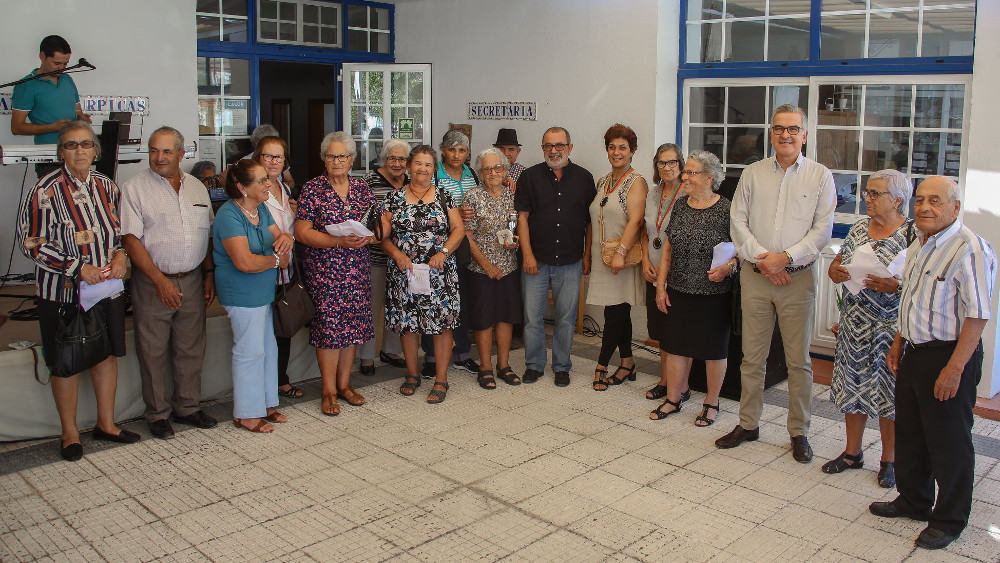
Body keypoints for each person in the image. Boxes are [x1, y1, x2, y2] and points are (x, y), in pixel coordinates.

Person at [869, 176, 996, 551]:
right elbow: (911, 298)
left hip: (949, 354)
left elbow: (977, 316)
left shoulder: (969, 249)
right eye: (921, 199)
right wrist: (898, 342)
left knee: (948, 442)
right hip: (914, 350)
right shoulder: (921, 242)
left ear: (955, 207)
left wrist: (955, 369)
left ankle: (950, 519)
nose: (925, 207)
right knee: (912, 433)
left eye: (936, 201)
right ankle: (914, 500)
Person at [718, 104, 835, 462]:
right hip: (756, 279)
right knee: (752, 358)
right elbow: (737, 222)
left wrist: (784, 258)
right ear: (771, 133)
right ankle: (748, 423)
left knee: (798, 362)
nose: (786, 134)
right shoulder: (752, 173)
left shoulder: (819, 176)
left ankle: (799, 432)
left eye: (793, 129)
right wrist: (765, 260)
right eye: (779, 128)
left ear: (804, 135)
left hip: (796, 281)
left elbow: (822, 231)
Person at [16, 121, 137, 461]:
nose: (80, 150)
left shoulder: (107, 186)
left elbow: (118, 232)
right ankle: (69, 433)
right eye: (71, 145)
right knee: (65, 361)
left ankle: (106, 424)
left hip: (106, 290)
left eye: (85, 144)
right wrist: (75, 266)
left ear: (96, 150)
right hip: (63, 293)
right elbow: (32, 243)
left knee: (107, 354)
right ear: (61, 152)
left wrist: (120, 254)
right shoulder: (45, 190)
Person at [121, 126, 218, 440]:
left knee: (191, 348)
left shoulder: (197, 188)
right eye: (153, 150)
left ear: (181, 153)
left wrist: (208, 274)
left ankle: (188, 407)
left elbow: (206, 233)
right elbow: (131, 240)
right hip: (153, 283)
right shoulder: (134, 188)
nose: (159, 157)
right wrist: (159, 280)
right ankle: (157, 414)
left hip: (191, 279)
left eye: (165, 151)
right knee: (152, 352)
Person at [824, 169, 914, 487]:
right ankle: (852, 452)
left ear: (898, 200)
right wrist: (835, 271)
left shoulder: (912, 235)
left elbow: (918, 285)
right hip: (855, 323)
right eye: (867, 193)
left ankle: (889, 459)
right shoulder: (861, 227)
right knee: (853, 387)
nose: (868, 199)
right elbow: (840, 265)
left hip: (890, 329)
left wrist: (895, 286)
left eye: (875, 194)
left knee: (889, 395)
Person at [650, 151, 737, 426]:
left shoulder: (726, 209)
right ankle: (674, 398)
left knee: (713, 350)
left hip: (714, 293)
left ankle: (712, 402)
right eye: (685, 171)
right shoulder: (681, 206)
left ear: (709, 177)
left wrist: (728, 268)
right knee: (676, 346)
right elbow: (668, 249)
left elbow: (741, 251)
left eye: (690, 172)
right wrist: (660, 288)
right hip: (678, 288)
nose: (684, 176)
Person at [294, 131, 377, 416]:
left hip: (357, 269)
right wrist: (338, 241)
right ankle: (328, 390)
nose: (337, 160)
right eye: (331, 156)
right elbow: (302, 232)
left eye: (342, 155)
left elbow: (376, 225)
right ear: (324, 159)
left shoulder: (361, 188)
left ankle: (345, 385)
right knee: (329, 330)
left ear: (352, 159)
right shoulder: (313, 189)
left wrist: (370, 237)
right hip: (325, 271)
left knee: (352, 328)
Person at [380, 145, 465, 404]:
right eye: (418, 163)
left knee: (441, 324)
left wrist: (444, 253)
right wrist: (397, 255)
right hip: (404, 271)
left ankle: (441, 379)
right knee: (408, 324)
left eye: (428, 164)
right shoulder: (393, 199)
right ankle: (412, 374)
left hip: (438, 271)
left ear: (433, 168)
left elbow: (458, 229)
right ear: (409, 166)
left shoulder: (444, 196)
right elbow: (382, 237)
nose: (422, 169)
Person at [214, 160, 293, 433]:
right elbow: (244, 263)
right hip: (240, 293)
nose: (268, 183)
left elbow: (280, 238)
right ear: (241, 187)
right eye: (260, 181)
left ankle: (267, 403)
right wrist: (274, 260)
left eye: (266, 179)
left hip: (263, 291)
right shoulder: (229, 216)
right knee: (249, 351)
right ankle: (247, 413)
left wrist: (288, 241)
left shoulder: (260, 209)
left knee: (268, 348)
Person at [515, 127, 597, 387]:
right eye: (548, 145)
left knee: (566, 317)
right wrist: (527, 255)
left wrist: (587, 256)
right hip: (536, 259)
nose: (554, 150)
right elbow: (522, 218)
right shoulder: (529, 177)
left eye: (559, 145)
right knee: (532, 317)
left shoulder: (584, 178)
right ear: (542, 149)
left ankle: (562, 366)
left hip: (571, 260)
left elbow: (590, 222)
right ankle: (534, 365)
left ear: (570, 147)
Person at [586, 124, 647, 391]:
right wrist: (588, 254)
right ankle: (627, 363)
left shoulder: (637, 181)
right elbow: (593, 221)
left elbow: (636, 221)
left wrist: (621, 254)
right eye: (612, 147)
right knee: (617, 312)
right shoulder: (603, 181)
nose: (616, 152)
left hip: (621, 258)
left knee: (615, 314)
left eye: (622, 147)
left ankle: (601, 364)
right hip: (603, 257)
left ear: (632, 151)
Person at [420, 130, 480, 377]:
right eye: (452, 149)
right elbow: (422, 206)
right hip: (435, 247)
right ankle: (431, 356)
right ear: (443, 150)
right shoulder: (433, 175)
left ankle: (462, 353)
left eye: (462, 150)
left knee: (462, 301)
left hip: (464, 246)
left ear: (468, 153)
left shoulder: (472, 174)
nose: (456, 155)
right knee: (432, 301)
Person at [464, 148, 523, 389]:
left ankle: (504, 365)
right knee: (484, 319)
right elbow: (467, 236)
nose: (493, 172)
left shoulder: (513, 193)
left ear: (506, 170)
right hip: (480, 269)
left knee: (506, 317)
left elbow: (521, 225)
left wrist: (516, 241)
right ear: (480, 172)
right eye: (487, 168)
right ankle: (485, 366)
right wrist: (486, 265)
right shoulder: (472, 197)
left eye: (498, 167)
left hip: (509, 266)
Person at [251, 136, 302, 398]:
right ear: (257, 158)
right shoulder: (251, 191)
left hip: (286, 270)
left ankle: (281, 379)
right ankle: (263, 386)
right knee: (260, 333)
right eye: (267, 156)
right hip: (261, 270)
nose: (273, 162)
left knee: (282, 326)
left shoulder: (285, 189)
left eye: (278, 157)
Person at [358, 139, 410, 375]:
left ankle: (390, 350)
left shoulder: (410, 183)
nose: (397, 163)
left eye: (401, 159)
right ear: (384, 159)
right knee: (372, 307)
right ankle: (366, 357)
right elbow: (360, 217)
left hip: (404, 258)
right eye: (392, 158)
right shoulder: (369, 182)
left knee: (397, 305)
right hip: (374, 257)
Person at [10, 35, 92, 178]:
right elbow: (16, 127)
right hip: (49, 156)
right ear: (42, 56)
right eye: (57, 63)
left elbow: (77, 111)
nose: (62, 68)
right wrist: (52, 127)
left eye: (65, 64)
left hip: (76, 153)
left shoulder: (67, 79)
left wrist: (82, 117)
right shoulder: (26, 85)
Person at [643, 143, 685, 402]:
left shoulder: (687, 193)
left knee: (676, 333)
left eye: (671, 162)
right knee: (659, 332)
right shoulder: (652, 193)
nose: (666, 167)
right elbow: (647, 231)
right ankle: (665, 380)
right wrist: (645, 260)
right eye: (661, 163)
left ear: (680, 165)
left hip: (676, 273)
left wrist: (665, 271)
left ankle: (681, 385)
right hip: (652, 269)